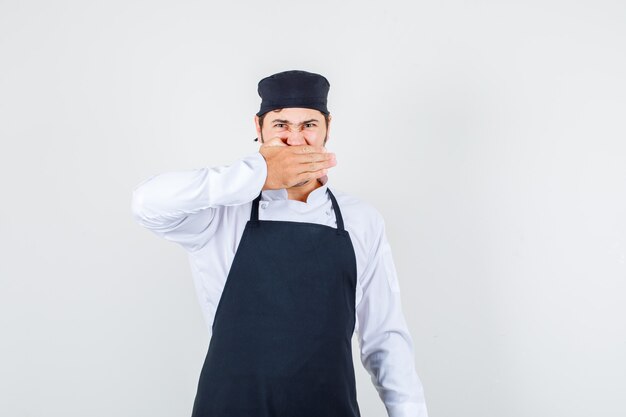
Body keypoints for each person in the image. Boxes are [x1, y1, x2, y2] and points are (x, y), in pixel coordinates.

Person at [131, 69, 429, 417]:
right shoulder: (220, 216)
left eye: (308, 125)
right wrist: (257, 173)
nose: (295, 139)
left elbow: (385, 338)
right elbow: (146, 203)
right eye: (281, 125)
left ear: (327, 129)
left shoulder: (361, 220)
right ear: (258, 129)